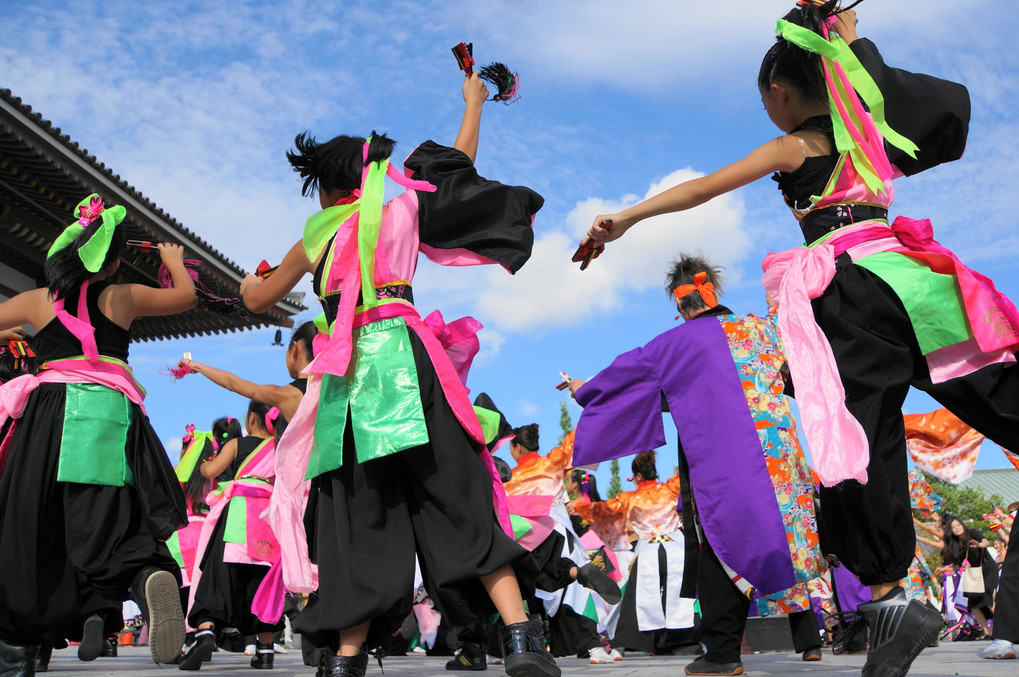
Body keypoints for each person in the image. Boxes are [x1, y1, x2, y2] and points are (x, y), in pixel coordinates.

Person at [581, 3, 1012, 674]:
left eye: (766, 105)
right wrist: (845, 32)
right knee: (988, 385)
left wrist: (628, 217)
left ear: (778, 94)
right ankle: (891, 600)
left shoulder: (797, 144)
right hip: (913, 279)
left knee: (857, 440)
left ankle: (890, 594)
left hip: (844, 293)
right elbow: (863, 69)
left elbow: (702, 189)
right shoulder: (868, 131)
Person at [238, 72, 553, 677]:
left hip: (349, 376)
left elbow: (258, 299)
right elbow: (457, 165)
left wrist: (250, 284)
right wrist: (472, 103)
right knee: (459, 497)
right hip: (411, 357)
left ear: (329, 190)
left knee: (360, 513)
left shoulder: (317, 234)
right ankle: (518, 637)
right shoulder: (402, 204)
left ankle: (347, 660)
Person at [568, 254, 825, 676]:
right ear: (713, 292)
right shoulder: (763, 328)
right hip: (783, 458)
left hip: (727, 462)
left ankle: (723, 654)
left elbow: (620, 380)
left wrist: (584, 390)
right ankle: (860, 622)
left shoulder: (672, 345)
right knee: (780, 538)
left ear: (679, 304)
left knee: (721, 548)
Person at [0, 194, 195, 670]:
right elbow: (187, 297)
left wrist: (9, 334)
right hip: (111, 411)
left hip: (49, 415)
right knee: (116, 516)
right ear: (110, 265)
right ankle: (147, 574)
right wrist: (173, 261)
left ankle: (17, 651)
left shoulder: (35, 301)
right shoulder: (121, 296)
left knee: (33, 524)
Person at [501, 426, 621, 666]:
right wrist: (588, 400)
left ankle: (516, 648)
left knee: (524, 592)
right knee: (573, 594)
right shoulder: (554, 461)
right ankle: (594, 647)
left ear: (517, 448)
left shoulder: (510, 477)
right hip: (560, 530)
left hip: (527, 536)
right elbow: (576, 441)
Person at [179, 401, 285, 671]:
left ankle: (204, 632)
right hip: (268, 522)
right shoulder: (280, 447)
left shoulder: (237, 445)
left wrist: (204, 465)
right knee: (263, 586)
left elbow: (211, 472)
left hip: (238, 517)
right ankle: (264, 650)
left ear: (251, 418)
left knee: (218, 577)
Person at [574, 452, 698, 657]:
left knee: (637, 598)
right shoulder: (670, 487)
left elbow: (604, 509)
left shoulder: (629, 498)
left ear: (637, 476)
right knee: (681, 595)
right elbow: (689, 475)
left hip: (648, 552)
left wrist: (580, 507)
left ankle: (629, 642)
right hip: (677, 550)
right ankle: (687, 639)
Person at [936, 514, 998, 640]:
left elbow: (986, 542)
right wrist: (944, 568)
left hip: (988, 569)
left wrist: (979, 545)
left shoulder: (973, 533)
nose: (957, 528)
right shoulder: (956, 544)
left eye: (958, 525)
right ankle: (987, 631)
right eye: (953, 527)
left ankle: (1003, 626)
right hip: (975, 573)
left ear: (962, 524)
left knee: (987, 597)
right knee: (973, 605)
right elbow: (958, 564)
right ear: (951, 530)